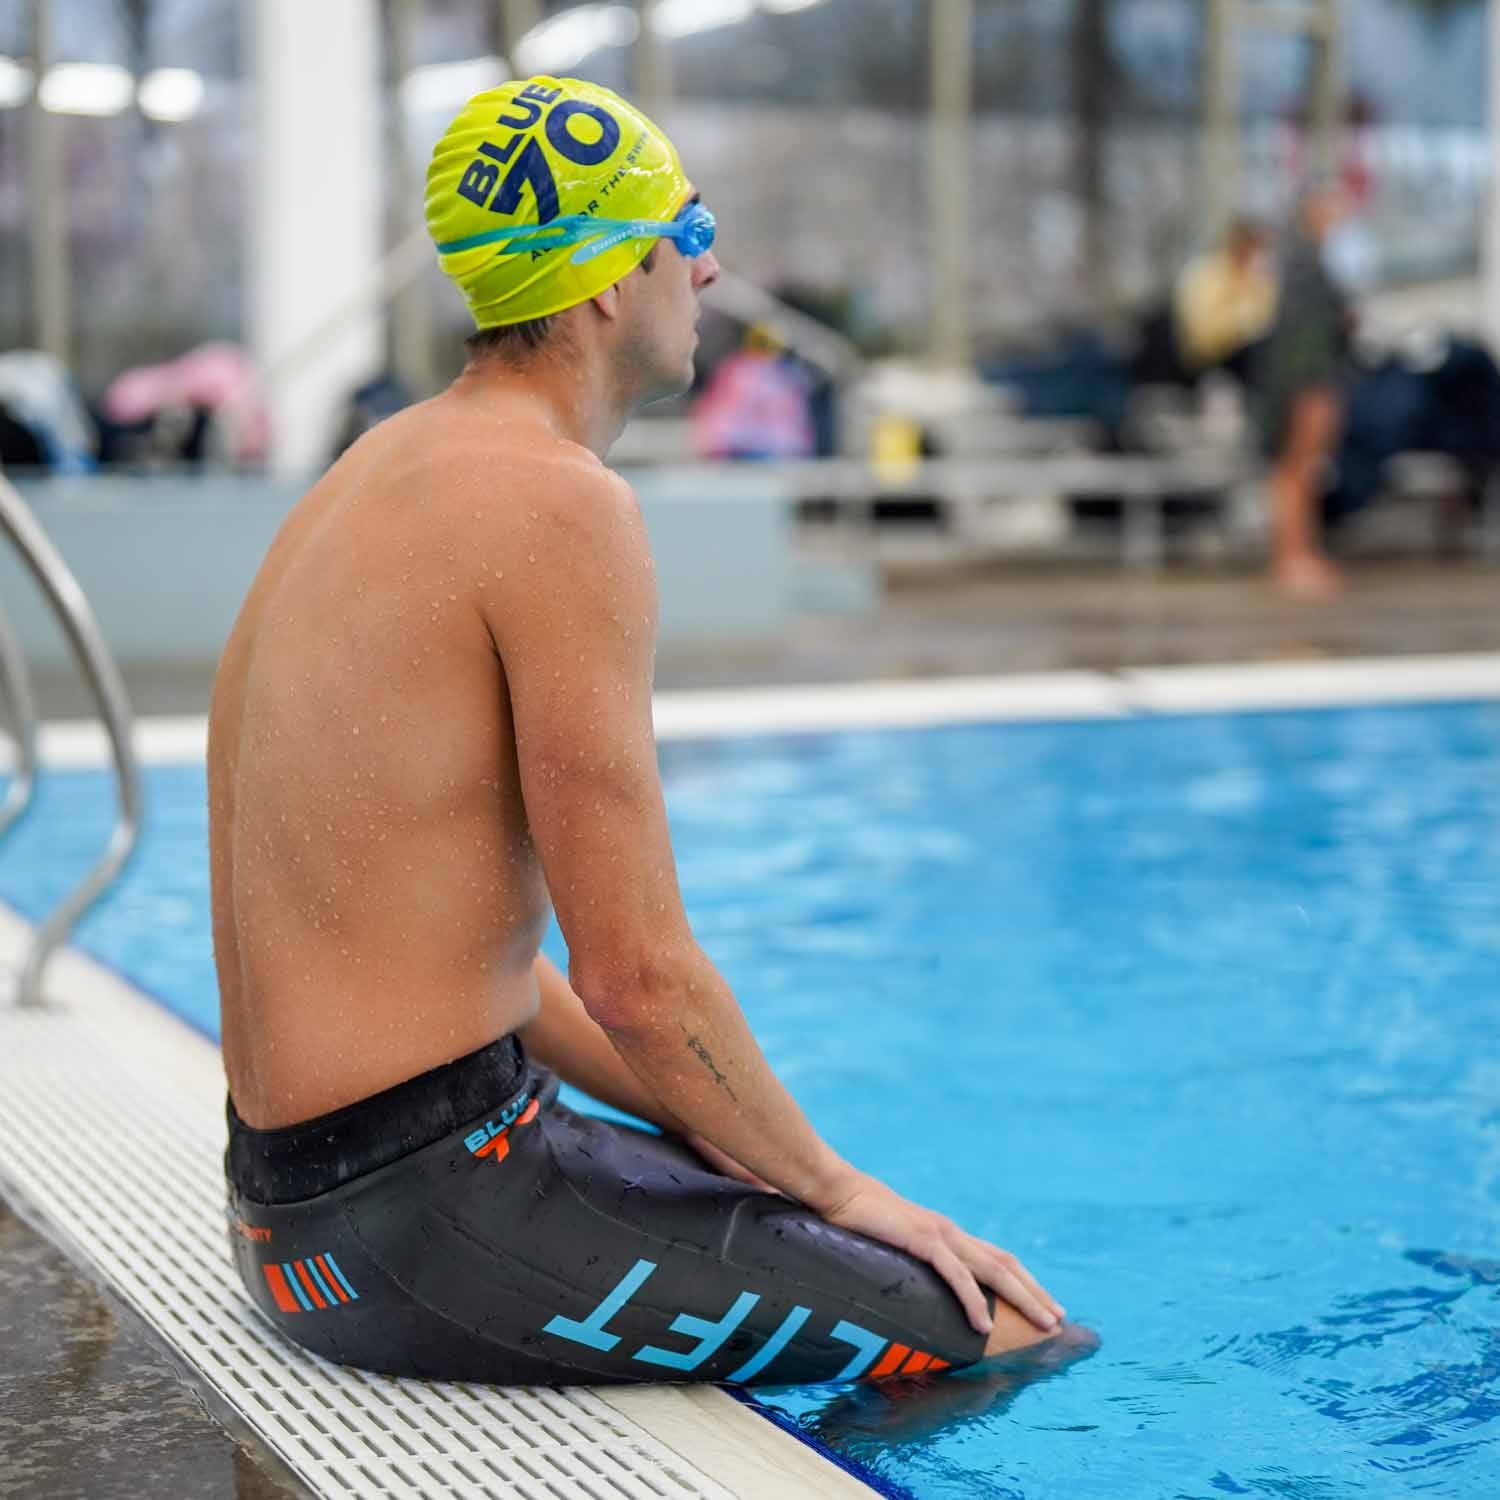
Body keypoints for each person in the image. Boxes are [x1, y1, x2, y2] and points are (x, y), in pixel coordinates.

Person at [210, 76, 1075, 1389]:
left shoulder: (370, 473)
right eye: (691, 227)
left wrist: (734, 1139)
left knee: (749, 1169)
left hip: (293, 1219)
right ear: (611, 277)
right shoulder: (559, 504)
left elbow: (491, 967)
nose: (710, 267)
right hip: (421, 1222)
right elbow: (640, 978)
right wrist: (845, 1191)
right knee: (1002, 1330)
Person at [1255, 183, 1356, 599]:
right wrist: (1308, 386)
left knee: (1302, 471)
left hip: (1306, 379)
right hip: (1304, 383)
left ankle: (1300, 554)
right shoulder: (1300, 263)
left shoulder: (1305, 259)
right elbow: (1300, 334)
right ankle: (1291, 557)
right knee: (1296, 470)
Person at [1172, 217, 1277, 380]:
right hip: (1207, 366)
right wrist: (1238, 323)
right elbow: (1201, 335)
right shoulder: (1205, 273)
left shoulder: (1261, 278)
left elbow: (1265, 321)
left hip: (1250, 365)